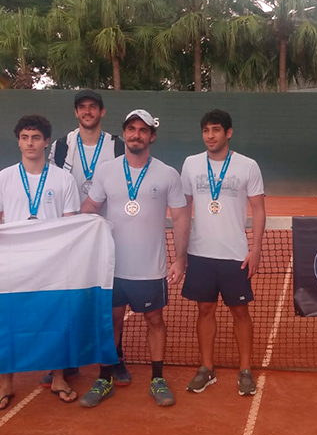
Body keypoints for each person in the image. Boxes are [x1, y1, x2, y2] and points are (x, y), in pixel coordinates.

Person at [80, 109, 189, 408]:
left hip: (150, 269)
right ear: (124, 133)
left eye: (142, 130)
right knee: (112, 320)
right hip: (112, 268)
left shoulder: (167, 174)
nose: (136, 135)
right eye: (131, 129)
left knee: (155, 320)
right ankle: (105, 378)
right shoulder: (106, 171)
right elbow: (90, 207)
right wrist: (67, 233)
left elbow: (181, 217)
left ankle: (157, 378)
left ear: (152, 136)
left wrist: (180, 259)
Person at [46, 89, 129, 387]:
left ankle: (115, 356)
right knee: (71, 297)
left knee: (112, 300)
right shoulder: (61, 147)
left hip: (109, 233)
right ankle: (69, 359)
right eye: (82, 107)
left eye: (93, 107)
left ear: (102, 112)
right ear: (76, 112)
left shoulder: (116, 146)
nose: (88, 111)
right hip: (71, 235)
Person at [181, 109, 265, 396]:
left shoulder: (248, 166)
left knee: (240, 311)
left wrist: (256, 249)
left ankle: (245, 369)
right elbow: (183, 208)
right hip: (200, 253)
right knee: (204, 310)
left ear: (228, 133)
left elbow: (258, 209)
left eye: (216, 130)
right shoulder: (191, 164)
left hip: (235, 255)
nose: (210, 136)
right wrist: (182, 251)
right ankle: (207, 368)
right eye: (206, 130)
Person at [0, 114, 80, 408]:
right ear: (18, 142)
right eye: (24, 138)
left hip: (52, 266)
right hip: (13, 265)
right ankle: (5, 383)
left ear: (46, 142)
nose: (30, 143)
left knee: (56, 320)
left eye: (35, 138)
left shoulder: (64, 179)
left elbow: (70, 225)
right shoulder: (4, 178)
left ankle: (58, 377)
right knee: (7, 322)